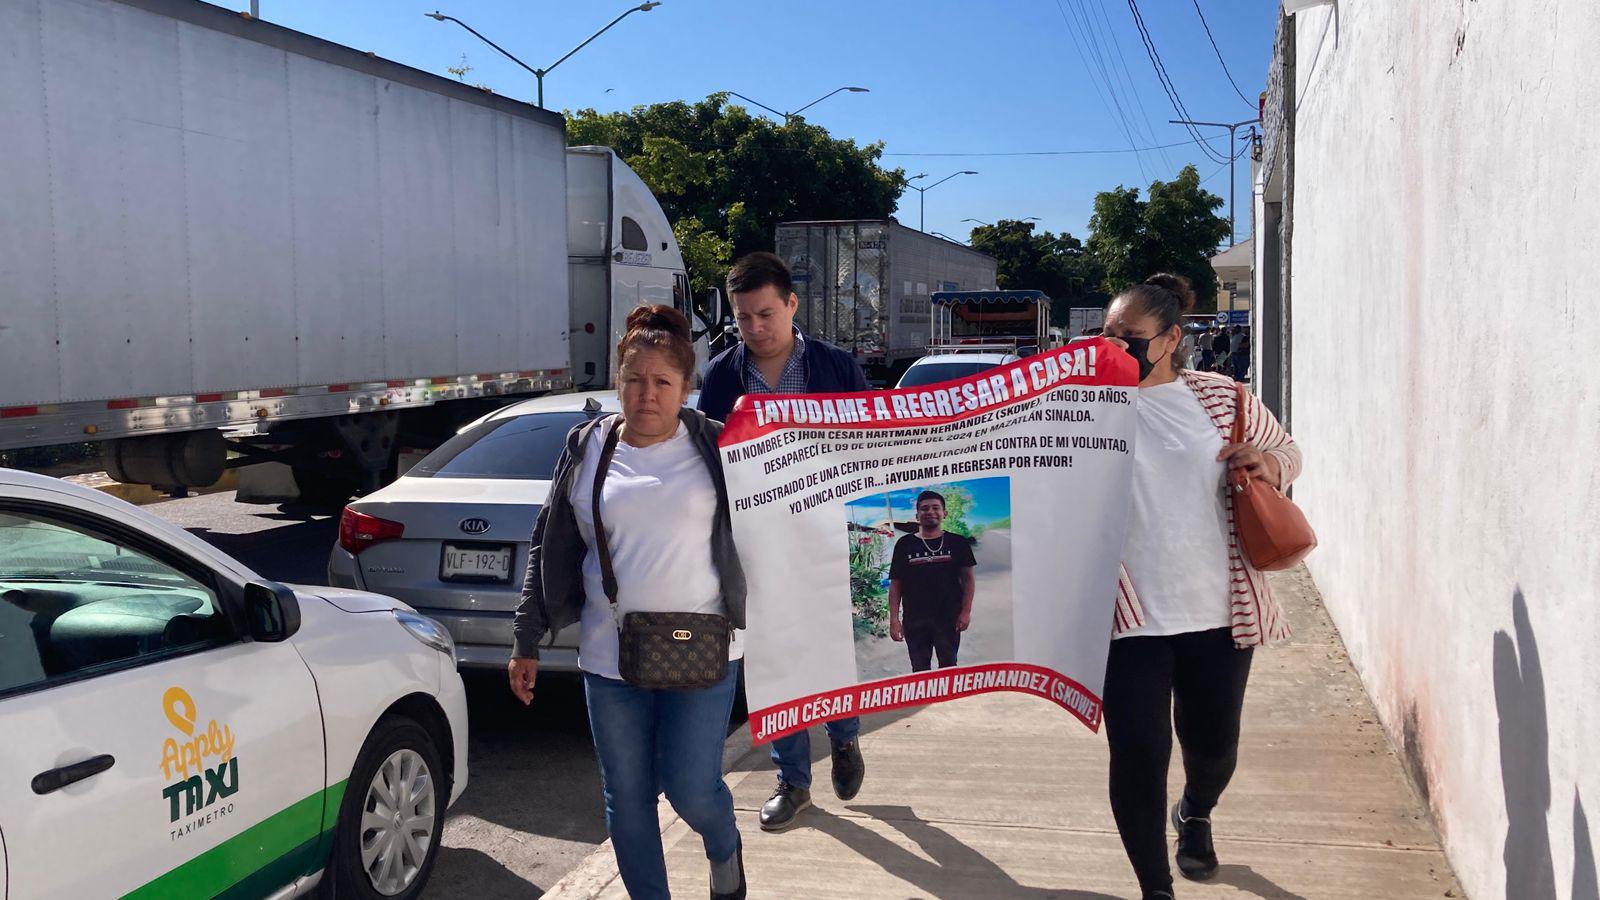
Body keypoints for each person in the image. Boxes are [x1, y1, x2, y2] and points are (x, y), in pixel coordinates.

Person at [509, 306, 748, 900]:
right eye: (635, 380)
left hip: (707, 647)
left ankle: (726, 848)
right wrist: (526, 637)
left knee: (692, 786)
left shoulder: (720, 446)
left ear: (685, 387)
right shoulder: (586, 446)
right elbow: (550, 539)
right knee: (627, 796)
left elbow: (787, 514)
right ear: (617, 382)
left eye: (663, 381)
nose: (647, 394)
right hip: (609, 654)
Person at [1100, 274, 1303, 900]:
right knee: (1138, 756)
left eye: (1130, 337)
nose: (1114, 347)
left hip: (1218, 611)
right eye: (1106, 334)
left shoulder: (1222, 397)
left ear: (1171, 339)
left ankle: (1195, 811)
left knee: (1213, 748)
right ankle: (1155, 887)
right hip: (1125, 618)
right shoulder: (1078, 405)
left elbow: (1287, 454)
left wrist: (1265, 464)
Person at [697, 251, 869, 833]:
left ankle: (844, 737)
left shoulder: (836, 367)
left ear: (792, 305)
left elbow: (873, 445)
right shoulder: (723, 375)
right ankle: (793, 781)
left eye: (765, 314)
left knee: (830, 651)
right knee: (777, 662)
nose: (754, 329)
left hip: (826, 537)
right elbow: (708, 462)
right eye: (743, 318)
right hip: (758, 548)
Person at [888, 490, 977, 671]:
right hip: (915, 620)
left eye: (935, 508)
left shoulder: (957, 543)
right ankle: (925, 701)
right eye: (924, 508)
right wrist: (894, 620)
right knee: (919, 669)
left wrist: (965, 612)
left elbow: (968, 580)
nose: (930, 512)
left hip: (948, 618)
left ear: (944, 513)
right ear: (917, 515)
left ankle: (950, 700)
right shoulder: (904, 545)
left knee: (949, 666)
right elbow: (896, 584)